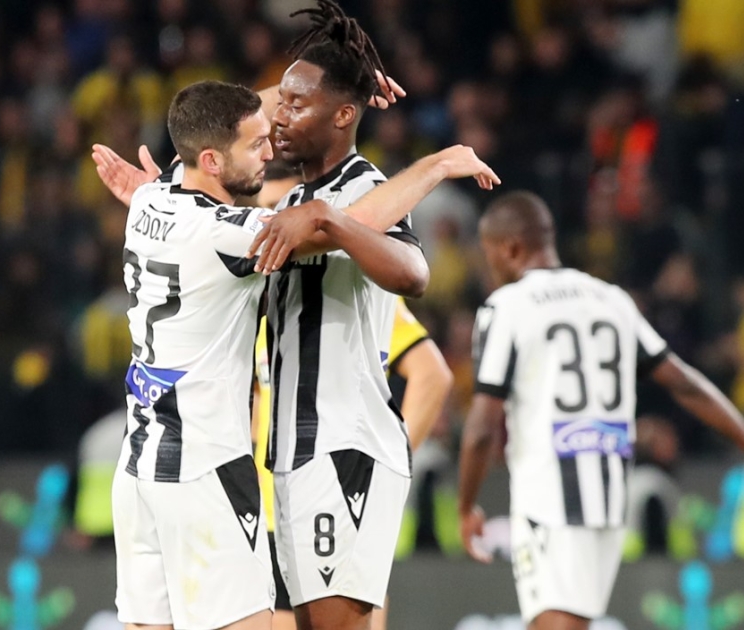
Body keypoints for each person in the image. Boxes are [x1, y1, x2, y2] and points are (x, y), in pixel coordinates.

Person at [111, 78, 490, 630]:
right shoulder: (229, 234)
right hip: (207, 470)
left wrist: (325, 80)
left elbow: (217, 120)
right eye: (255, 145)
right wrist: (436, 166)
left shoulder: (151, 198)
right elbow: (344, 225)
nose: (270, 151)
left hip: (139, 469)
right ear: (211, 160)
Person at [457, 191, 744, 630]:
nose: (489, 266)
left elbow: (482, 425)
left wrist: (466, 505)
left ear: (510, 248)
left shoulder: (507, 307)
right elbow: (684, 383)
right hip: (609, 495)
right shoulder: (611, 298)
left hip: (549, 496)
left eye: (489, 253)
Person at [251, 168, 453, 630]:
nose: (276, 225)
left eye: (283, 211)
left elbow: (431, 374)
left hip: (332, 488)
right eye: (264, 212)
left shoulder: (344, 281)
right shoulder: (259, 295)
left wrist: (386, 465)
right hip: (266, 500)